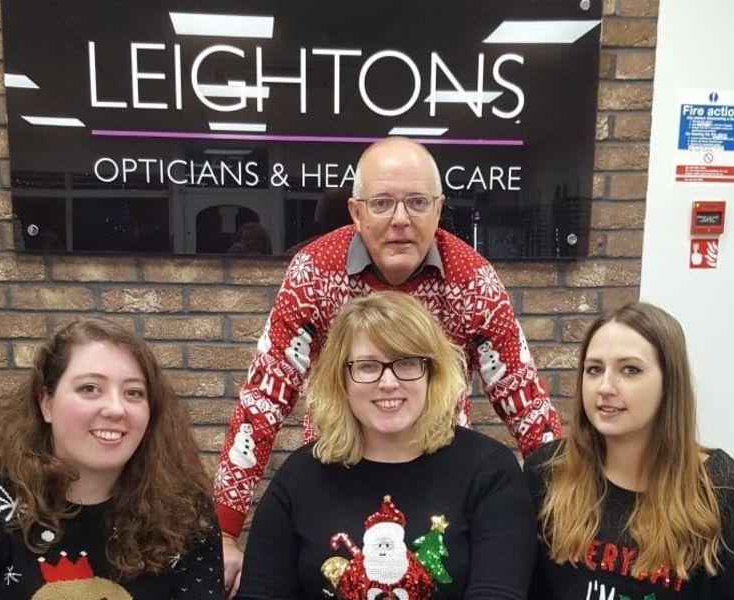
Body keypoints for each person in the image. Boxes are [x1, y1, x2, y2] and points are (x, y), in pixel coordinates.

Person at [216, 136, 561, 594]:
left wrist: (568, 510)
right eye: (382, 203)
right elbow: (265, 396)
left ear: (439, 209)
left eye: (417, 202)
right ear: (356, 212)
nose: (400, 220)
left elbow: (525, 401)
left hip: (442, 474)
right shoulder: (313, 272)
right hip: (339, 470)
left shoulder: (473, 279)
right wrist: (224, 529)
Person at [235, 291, 536, 599]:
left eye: (406, 363)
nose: (388, 382)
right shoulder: (300, 476)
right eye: (367, 366)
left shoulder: (489, 472)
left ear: (432, 372)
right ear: (342, 379)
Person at [0, 318, 223, 600]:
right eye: (90, 388)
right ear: (46, 403)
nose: (116, 409)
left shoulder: (187, 515)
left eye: (133, 393)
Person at [524, 302, 734, 599]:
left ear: (669, 383)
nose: (605, 386)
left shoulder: (724, 493)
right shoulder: (546, 472)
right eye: (594, 369)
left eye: (630, 370)